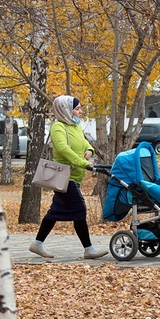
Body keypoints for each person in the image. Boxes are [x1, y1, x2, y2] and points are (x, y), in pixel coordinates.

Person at [29, 95, 107, 260]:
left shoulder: (76, 126)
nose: (81, 111)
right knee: (80, 209)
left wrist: (89, 151)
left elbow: (85, 143)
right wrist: (83, 162)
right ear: (65, 110)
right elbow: (63, 149)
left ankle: (37, 244)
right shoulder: (58, 127)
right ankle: (89, 249)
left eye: (80, 108)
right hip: (65, 177)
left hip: (75, 176)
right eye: (77, 109)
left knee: (54, 212)